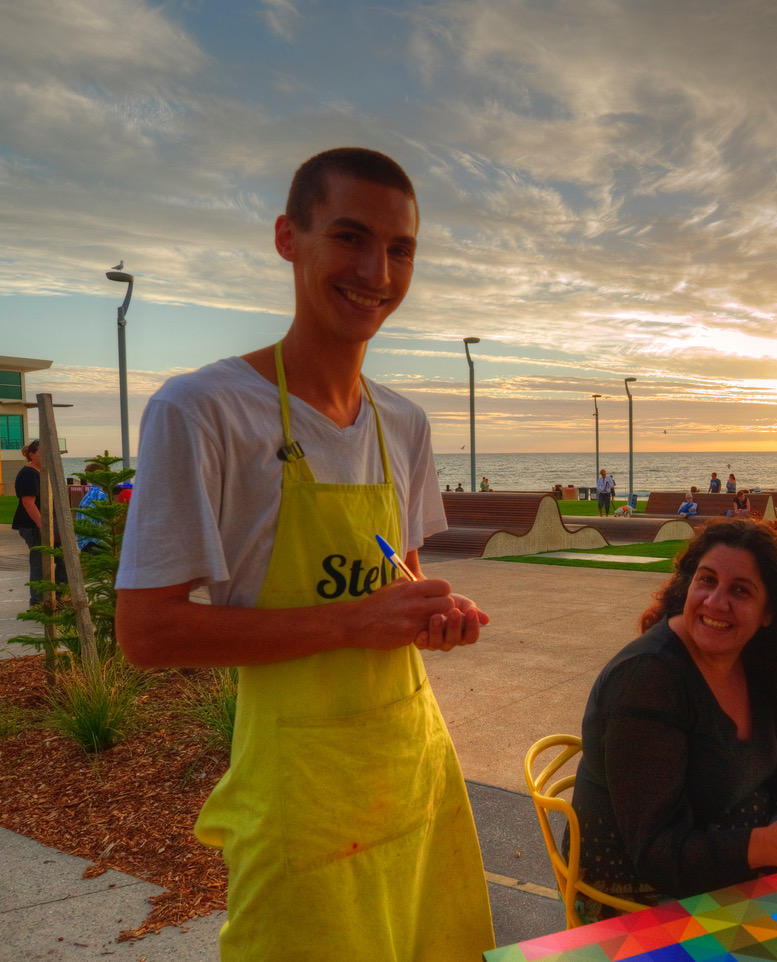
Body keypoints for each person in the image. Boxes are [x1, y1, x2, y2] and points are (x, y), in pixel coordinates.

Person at [115, 148, 494, 961]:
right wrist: (355, 621)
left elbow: (399, 581)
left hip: (413, 768)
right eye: (351, 238)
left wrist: (433, 614)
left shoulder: (406, 424)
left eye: (400, 250)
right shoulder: (202, 409)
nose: (376, 271)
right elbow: (148, 634)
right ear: (290, 238)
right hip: (296, 798)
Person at [570, 519, 777, 921]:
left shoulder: (749, 662)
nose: (716, 602)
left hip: (730, 864)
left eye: (740, 590)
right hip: (635, 896)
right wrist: (767, 847)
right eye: (707, 580)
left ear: (767, 612)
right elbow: (657, 854)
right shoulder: (648, 679)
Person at [10, 440, 67, 607]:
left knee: (63, 558)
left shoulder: (42, 473)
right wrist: (44, 526)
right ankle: (38, 602)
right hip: (33, 525)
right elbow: (28, 502)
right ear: (31, 455)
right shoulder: (29, 474)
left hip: (49, 524)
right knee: (40, 561)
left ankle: (59, 596)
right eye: (43, 453)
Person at [76, 462, 110, 554]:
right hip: (96, 542)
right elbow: (107, 519)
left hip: (84, 542)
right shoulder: (101, 495)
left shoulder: (88, 495)